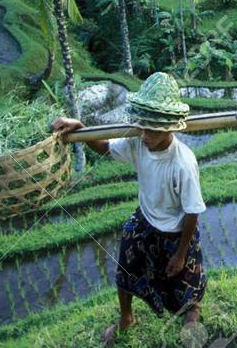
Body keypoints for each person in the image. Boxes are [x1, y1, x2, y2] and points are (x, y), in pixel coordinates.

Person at [52, 93, 207, 346]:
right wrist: (81, 127)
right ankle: (126, 318)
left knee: (185, 278)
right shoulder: (139, 143)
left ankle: (193, 311)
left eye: (151, 130)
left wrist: (180, 254)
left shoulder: (183, 163)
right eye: (141, 127)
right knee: (125, 268)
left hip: (177, 230)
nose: (144, 134)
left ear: (168, 129)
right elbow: (105, 148)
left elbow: (192, 212)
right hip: (144, 219)